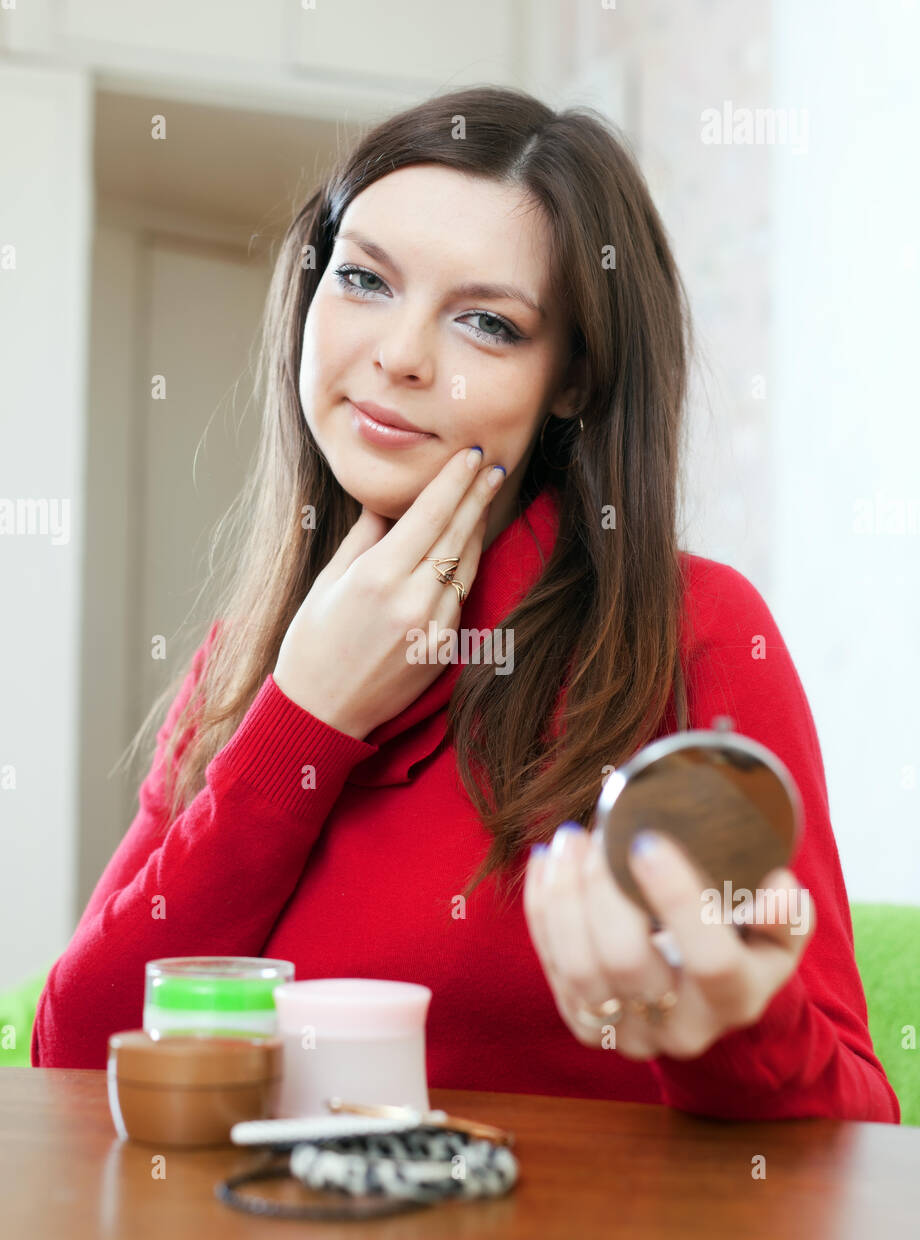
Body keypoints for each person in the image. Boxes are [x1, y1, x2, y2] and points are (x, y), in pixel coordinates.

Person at [31, 85, 898, 1123]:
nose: (399, 355)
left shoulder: (694, 629)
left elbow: (852, 1131)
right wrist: (302, 716)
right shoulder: (251, 655)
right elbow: (77, 1059)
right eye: (362, 279)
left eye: (485, 321)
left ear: (570, 380)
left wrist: (728, 1026)